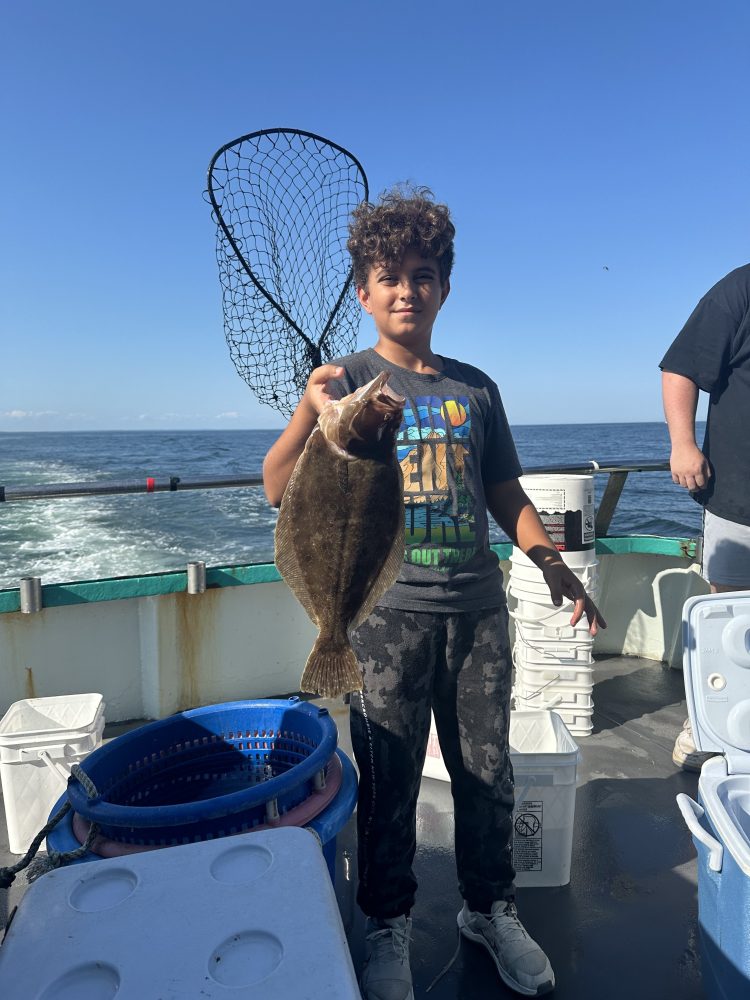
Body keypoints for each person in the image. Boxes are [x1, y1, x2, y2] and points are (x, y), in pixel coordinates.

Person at [263, 186, 605, 1000]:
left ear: (444, 288)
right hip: (380, 618)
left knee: (488, 773)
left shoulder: (476, 389)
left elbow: (503, 489)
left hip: (478, 611)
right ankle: (386, 921)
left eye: (422, 274)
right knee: (386, 782)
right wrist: (312, 414)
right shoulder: (344, 380)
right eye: (389, 277)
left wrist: (551, 561)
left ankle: (490, 908)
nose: (406, 289)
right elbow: (280, 489)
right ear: (364, 293)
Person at [660, 263, 750, 771]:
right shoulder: (741, 289)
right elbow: (681, 367)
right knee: (731, 624)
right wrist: (683, 443)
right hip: (740, 498)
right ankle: (711, 724)